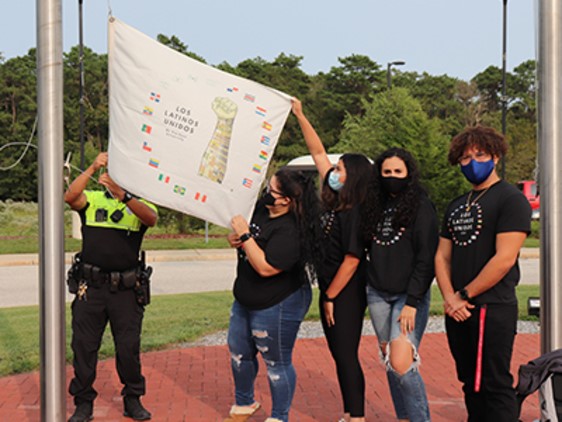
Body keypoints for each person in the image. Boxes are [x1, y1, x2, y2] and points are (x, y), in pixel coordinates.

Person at [434, 126, 531, 422]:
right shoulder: (456, 206)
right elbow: (442, 256)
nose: (472, 162)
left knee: (494, 383)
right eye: (465, 157)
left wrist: (464, 295)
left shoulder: (511, 199)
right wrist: (450, 298)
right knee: (470, 384)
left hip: (491, 306)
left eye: (480, 155)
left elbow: (504, 258)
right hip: (459, 310)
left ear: (495, 157)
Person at [292, 98, 370, 422]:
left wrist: (330, 296)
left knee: (346, 354)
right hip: (332, 289)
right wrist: (299, 114)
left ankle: (358, 417)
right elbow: (318, 153)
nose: (332, 172)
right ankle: (350, 413)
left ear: (352, 176)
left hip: (345, 292)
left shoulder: (354, 211)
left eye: (339, 170)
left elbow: (352, 260)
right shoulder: (335, 199)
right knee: (339, 354)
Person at [224, 167, 323, 422]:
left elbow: (266, 267)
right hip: (246, 295)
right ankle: (244, 403)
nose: (267, 193)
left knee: (276, 361)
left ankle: (279, 416)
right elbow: (244, 238)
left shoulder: (292, 229)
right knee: (238, 351)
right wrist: (236, 237)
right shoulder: (260, 208)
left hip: (279, 302)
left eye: (272, 190)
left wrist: (246, 236)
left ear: (286, 200)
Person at [65, 152, 158, 422]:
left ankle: (132, 399)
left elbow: (150, 219)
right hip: (90, 289)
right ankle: (83, 403)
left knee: (128, 347)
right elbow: (70, 197)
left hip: (127, 290)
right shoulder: (92, 199)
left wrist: (124, 197)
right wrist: (93, 165)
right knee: (84, 346)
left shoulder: (140, 204)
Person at [364, 147, 438, 422]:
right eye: (387, 172)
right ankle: (403, 417)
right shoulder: (374, 204)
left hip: (408, 296)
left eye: (397, 171)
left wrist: (412, 302)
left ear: (408, 173)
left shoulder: (421, 205)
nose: (392, 176)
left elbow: (426, 257)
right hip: (377, 294)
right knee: (390, 362)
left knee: (402, 361)